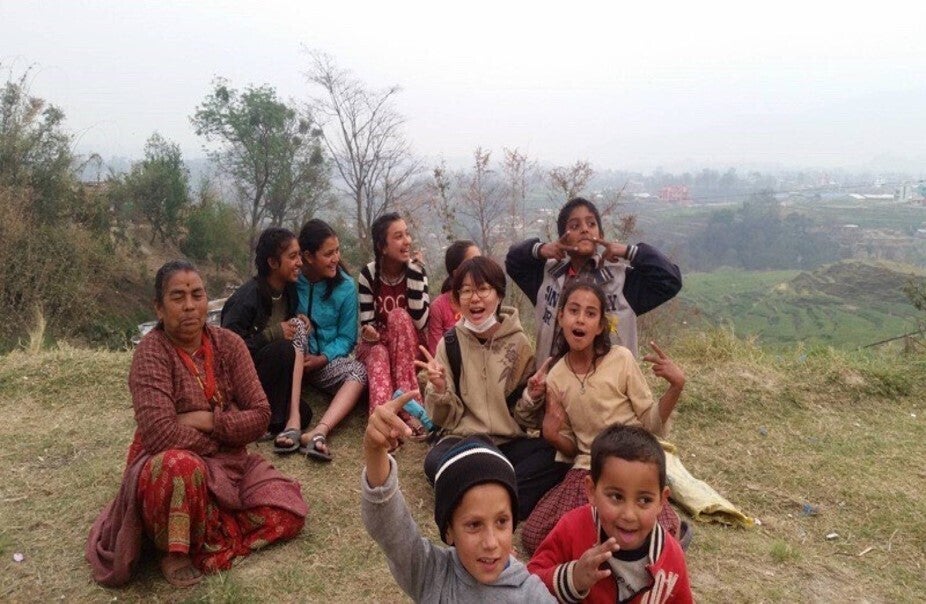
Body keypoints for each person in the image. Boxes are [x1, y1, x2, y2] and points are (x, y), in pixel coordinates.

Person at [86, 260, 307, 588]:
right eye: (178, 297)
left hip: (230, 465)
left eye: (197, 295)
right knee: (181, 469)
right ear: (159, 308)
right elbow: (160, 434)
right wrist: (227, 434)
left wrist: (209, 421)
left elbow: (261, 415)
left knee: (288, 510)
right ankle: (173, 550)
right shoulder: (151, 354)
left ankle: (209, 531)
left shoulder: (229, 345)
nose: (190, 306)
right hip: (169, 464)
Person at [520, 280, 685, 556]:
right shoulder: (556, 377)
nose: (580, 319)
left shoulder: (621, 359)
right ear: (560, 317)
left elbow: (652, 423)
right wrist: (552, 435)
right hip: (588, 468)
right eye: (573, 310)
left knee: (640, 537)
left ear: (600, 326)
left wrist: (676, 387)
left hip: (630, 460)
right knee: (536, 535)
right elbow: (573, 447)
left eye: (590, 313)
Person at [361, 391, 556, 603]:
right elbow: (390, 527)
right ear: (448, 530)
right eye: (474, 525)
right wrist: (374, 450)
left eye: (501, 522)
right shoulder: (431, 575)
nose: (491, 543)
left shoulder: (533, 596)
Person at [417, 256, 569, 519]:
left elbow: (524, 419)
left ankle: (473, 496)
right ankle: (506, 495)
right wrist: (440, 389)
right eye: (466, 291)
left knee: (554, 455)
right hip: (465, 441)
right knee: (435, 461)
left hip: (509, 443)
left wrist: (531, 396)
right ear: (457, 300)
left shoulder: (519, 343)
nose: (474, 298)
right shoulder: (450, 344)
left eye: (483, 289)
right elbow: (444, 419)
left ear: (498, 294)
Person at [505, 196, 682, 367]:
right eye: (574, 226)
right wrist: (540, 249)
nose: (584, 229)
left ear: (601, 234)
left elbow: (670, 280)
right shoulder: (548, 277)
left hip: (608, 385)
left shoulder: (621, 280)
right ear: (562, 238)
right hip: (551, 382)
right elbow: (513, 261)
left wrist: (630, 251)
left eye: (591, 224)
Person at [528, 425, 693, 603]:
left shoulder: (671, 557)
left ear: (662, 500)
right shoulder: (573, 528)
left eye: (644, 500)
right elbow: (529, 584)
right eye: (616, 497)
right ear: (591, 491)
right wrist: (573, 578)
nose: (629, 515)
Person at [220, 227, 312, 453]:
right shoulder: (246, 299)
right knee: (282, 349)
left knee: (305, 413)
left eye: (299, 255)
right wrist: (272, 334)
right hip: (245, 380)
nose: (299, 262)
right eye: (293, 256)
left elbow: (284, 322)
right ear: (272, 262)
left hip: (272, 380)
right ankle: (262, 421)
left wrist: (297, 320)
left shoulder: (289, 290)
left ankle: (272, 418)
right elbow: (226, 352)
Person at [293, 219, 368, 461]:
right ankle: (292, 420)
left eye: (337, 251)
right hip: (292, 358)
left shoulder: (345, 287)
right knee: (297, 325)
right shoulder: (292, 280)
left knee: (359, 372)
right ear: (308, 256)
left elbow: (347, 338)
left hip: (324, 363)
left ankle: (320, 431)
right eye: (328, 254)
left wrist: (322, 358)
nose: (336, 258)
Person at [356, 212, 429, 434]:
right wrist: (370, 333)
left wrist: (414, 273)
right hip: (379, 343)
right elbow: (367, 323)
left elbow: (421, 322)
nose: (407, 241)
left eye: (407, 234)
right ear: (382, 247)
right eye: (398, 236)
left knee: (398, 316)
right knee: (378, 353)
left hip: (408, 344)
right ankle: (383, 425)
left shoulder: (417, 272)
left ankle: (411, 410)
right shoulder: (368, 274)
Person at [426, 240, 480, 355]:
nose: (481, 267)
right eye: (474, 263)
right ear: (457, 273)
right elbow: (436, 354)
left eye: (482, 261)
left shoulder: (485, 299)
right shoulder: (439, 307)